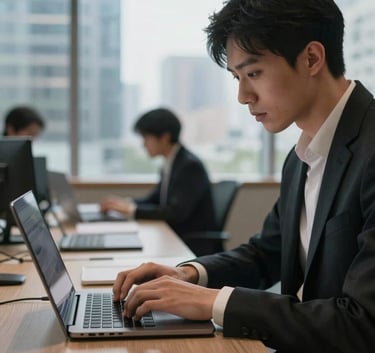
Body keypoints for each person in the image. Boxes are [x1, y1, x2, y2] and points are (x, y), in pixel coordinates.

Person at [111, 1, 375, 352]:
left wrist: (212, 303)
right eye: (237, 78)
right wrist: (188, 275)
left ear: (312, 58)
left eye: (253, 74)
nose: (242, 97)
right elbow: (265, 253)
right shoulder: (301, 158)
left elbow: (362, 324)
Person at [100, 107, 216, 252]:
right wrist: (125, 203)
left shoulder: (189, 166)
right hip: (173, 239)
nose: (143, 144)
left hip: (189, 246)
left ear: (165, 137)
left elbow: (175, 213)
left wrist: (131, 210)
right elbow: (155, 199)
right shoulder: (172, 162)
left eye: (146, 138)